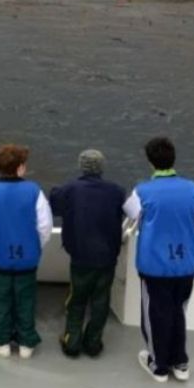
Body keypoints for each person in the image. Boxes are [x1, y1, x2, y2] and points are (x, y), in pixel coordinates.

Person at [123, 136, 194, 383]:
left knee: (156, 314)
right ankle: (180, 362)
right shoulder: (192, 188)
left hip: (155, 265)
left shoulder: (143, 191)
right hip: (186, 263)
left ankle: (158, 365)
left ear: (150, 162)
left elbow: (131, 213)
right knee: (179, 312)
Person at [0, 144, 52, 359]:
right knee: (26, 301)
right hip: (27, 260)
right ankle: (27, 343)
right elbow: (44, 228)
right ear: (21, 168)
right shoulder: (35, 191)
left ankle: (1, 341)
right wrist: (34, 249)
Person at [49, 148, 126, 358]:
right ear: (102, 168)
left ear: (81, 166)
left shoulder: (69, 190)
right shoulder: (117, 191)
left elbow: (54, 205)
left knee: (77, 300)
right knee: (101, 301)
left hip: (81, 256)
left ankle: (72, 342)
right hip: (108, 257)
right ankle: (93, 343)